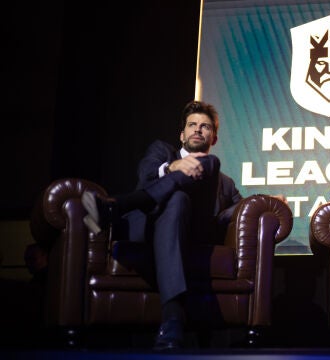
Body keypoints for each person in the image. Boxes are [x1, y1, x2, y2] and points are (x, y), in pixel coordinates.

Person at [81, 100, 277, 350]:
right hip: (147, 225)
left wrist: (265, 202)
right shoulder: (161, 151)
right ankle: (173, 319)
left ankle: (117, 206)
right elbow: (146, 176)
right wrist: (173, 167)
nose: (198, 129)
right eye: (192, 125)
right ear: (181, 134)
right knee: (177, 197)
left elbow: (233, 215)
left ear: (213, 137)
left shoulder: (223, 182)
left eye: (205, 126)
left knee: (204, 169)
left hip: (192, 231)